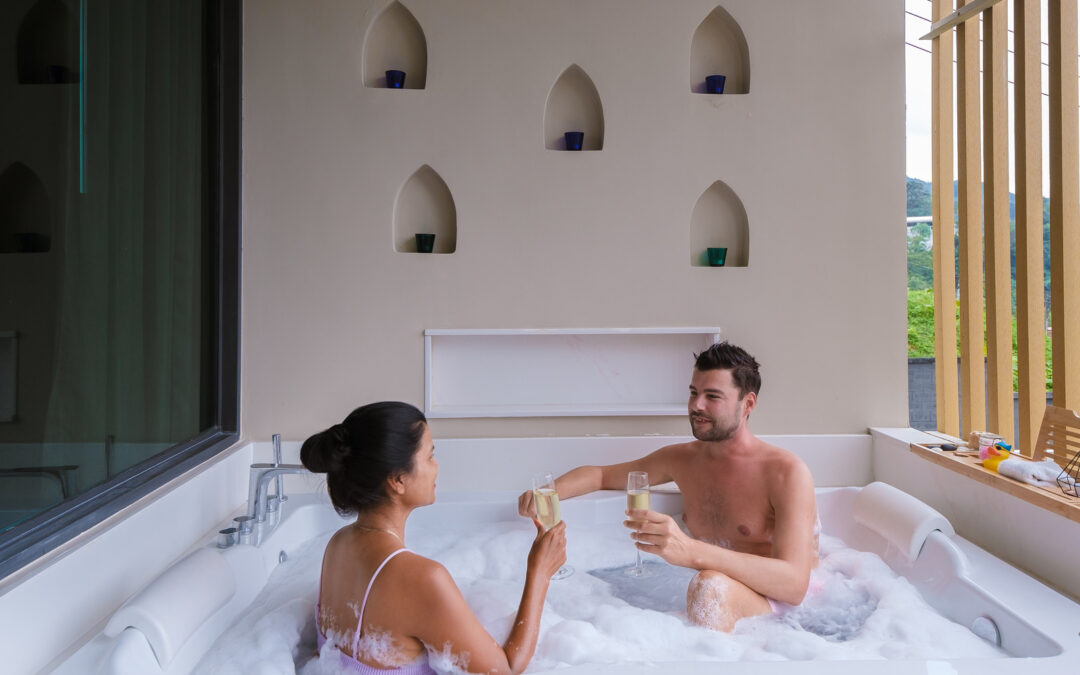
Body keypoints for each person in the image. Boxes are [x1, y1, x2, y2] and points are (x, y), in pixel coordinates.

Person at [517, 342, 817, 632]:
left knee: (709, 586)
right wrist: (547, 493)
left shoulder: (786, 473)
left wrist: (690, 551)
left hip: (778, 609)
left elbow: (793, 585)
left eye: (712, 396)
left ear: (747, 403)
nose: (696, 405)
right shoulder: (682, 459)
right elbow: (600, 475)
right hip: (713, 591)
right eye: (693, 392)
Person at [304, 401, 566, 674]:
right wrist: (540, 572)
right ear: (398, 480)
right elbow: (506, 669)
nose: (437, 466)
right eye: (430, 456)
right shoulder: (422, 578)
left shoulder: (337, 544)